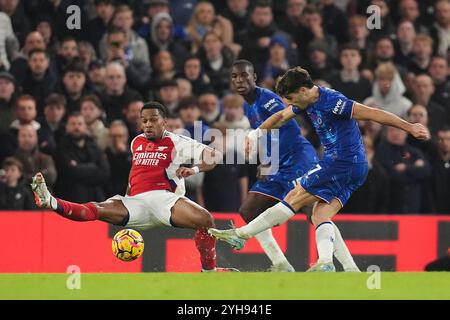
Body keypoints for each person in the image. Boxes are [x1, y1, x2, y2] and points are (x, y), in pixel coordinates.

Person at [209, 66, 430, 272]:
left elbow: (373, 113)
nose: (289, 103)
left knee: (294, 196)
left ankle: (241, 235)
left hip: (341, 162)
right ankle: (331, 264)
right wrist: (256, 133)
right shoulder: (306, 100)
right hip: (356, 168)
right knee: (320, 213)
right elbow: (281, 116)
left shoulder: (333, 101)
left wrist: (409, 127)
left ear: (303, 91)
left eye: (292, 98)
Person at [31, 101, 237, 272]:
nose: (148, 124)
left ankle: (209, 270)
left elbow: (214, 155)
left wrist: (194, 169)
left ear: (164, 122)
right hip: (135, 202)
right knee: (93, 209)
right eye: (144, 120)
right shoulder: (136, 141)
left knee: (206, 219)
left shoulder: (177, 142)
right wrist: (127, 195)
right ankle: (50, 201)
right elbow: (135, 170)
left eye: (153, 120)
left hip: (164, 200)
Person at [225, 60, 360, 272]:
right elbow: (267, 135)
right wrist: (265, 159)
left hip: (298, 160)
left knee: (313, 213)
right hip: (278, 166)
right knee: (249, 210)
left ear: (254, 77)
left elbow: (289, 128)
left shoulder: (268, 99)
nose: (239, 80)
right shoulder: (247, 105)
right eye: (235, 76)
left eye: (244, 75)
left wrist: (272, 160)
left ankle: (349, 267)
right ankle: (280, 264)